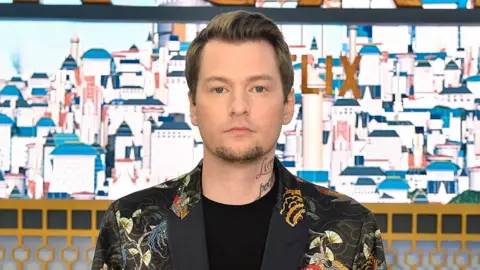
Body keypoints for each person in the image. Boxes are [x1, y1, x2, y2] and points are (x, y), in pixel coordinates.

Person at [91, 10, 387, 270]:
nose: (238, 107)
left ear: (287, 105)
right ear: (193, 106)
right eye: (219, 89)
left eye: (258, 88)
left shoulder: (349, 227)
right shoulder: (130, 223)